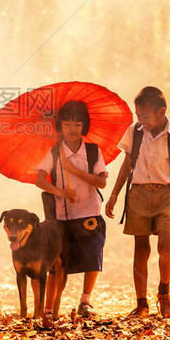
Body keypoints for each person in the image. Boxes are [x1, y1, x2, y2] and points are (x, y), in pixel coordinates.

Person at [105, 86, 170, 318]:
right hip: (139, 194)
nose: (140, 120)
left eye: (144, 116)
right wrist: (114, 194)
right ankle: (141, 303)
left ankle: (164, 295)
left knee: (165, 248)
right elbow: (127, 165)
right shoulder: (135, 133)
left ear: (161, 112)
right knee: (141, 249)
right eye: (137, 115)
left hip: (166, 195)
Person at [35, 100, 108, 319]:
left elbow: (101, 182)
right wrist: (59, 192)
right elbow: (39, 179)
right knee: (56, 263)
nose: (72, 130)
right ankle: (49, 309)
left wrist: (73, 170)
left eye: (77, 125)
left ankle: (85, 301)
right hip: (62, 217)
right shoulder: (55, 152)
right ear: (61, 127)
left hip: (90, 212)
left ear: (84, 126)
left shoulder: (93, 151)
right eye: (67, 125)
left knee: (93, 255)